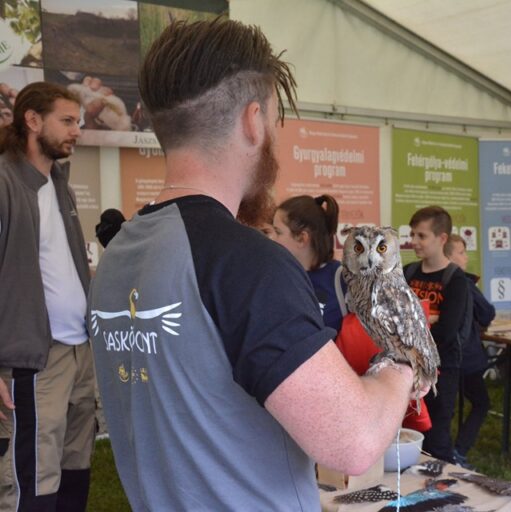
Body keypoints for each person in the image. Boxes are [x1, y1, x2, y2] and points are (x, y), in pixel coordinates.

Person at [87, 18, 425, 511]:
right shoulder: (245, 262)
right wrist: (402, 361)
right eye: (274, 120)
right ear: (253, 121)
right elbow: (352, 440)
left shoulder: (120, 252)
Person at [0, 81, 95, 511]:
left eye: (79, 121)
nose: (77, 130)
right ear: (33, 120)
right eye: (68, 121)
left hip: (80, 353)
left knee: (75, 469)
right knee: (33, 478)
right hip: (35, 359)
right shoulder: (5, 183)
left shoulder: (60, 184)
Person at [405, 206, 469, 463]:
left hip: (441, 369)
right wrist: (430, 318)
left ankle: (442, 480)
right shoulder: (408, 272)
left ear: (442, 238)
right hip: (408, 366)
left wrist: (416, 320)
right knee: (407, 430)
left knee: (436, 436)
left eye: (421, 236)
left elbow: (446, 331)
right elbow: (394, 319)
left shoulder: (456, 280)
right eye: (412, 234)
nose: (414, 241)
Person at [444, 234, 495, 467]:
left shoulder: (430, 279)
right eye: (461, 252)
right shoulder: (462, 282)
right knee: (480, 403)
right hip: (464, 357)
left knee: (444, 407)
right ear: (448, 256)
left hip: (440, 356)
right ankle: (458, 452)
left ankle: (441, 452)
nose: (466, 258)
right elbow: (486, 313)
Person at [272, 194, 346, 332]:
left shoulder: (341, 278)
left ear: (302, 238)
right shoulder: (277, 275)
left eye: (278, 232)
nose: (272, 239)